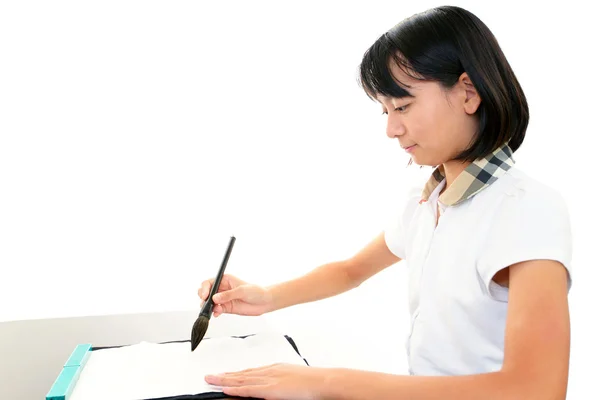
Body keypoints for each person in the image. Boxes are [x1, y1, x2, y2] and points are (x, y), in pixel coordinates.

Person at [199, 5, 573, 399]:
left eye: (403, 106)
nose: (392, 129)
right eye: (385, 110)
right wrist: (267, 297)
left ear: (468, 92)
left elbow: (538, 388)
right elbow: (350, 271)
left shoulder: (527, 209)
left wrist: (326, 382)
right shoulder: (426, 201)